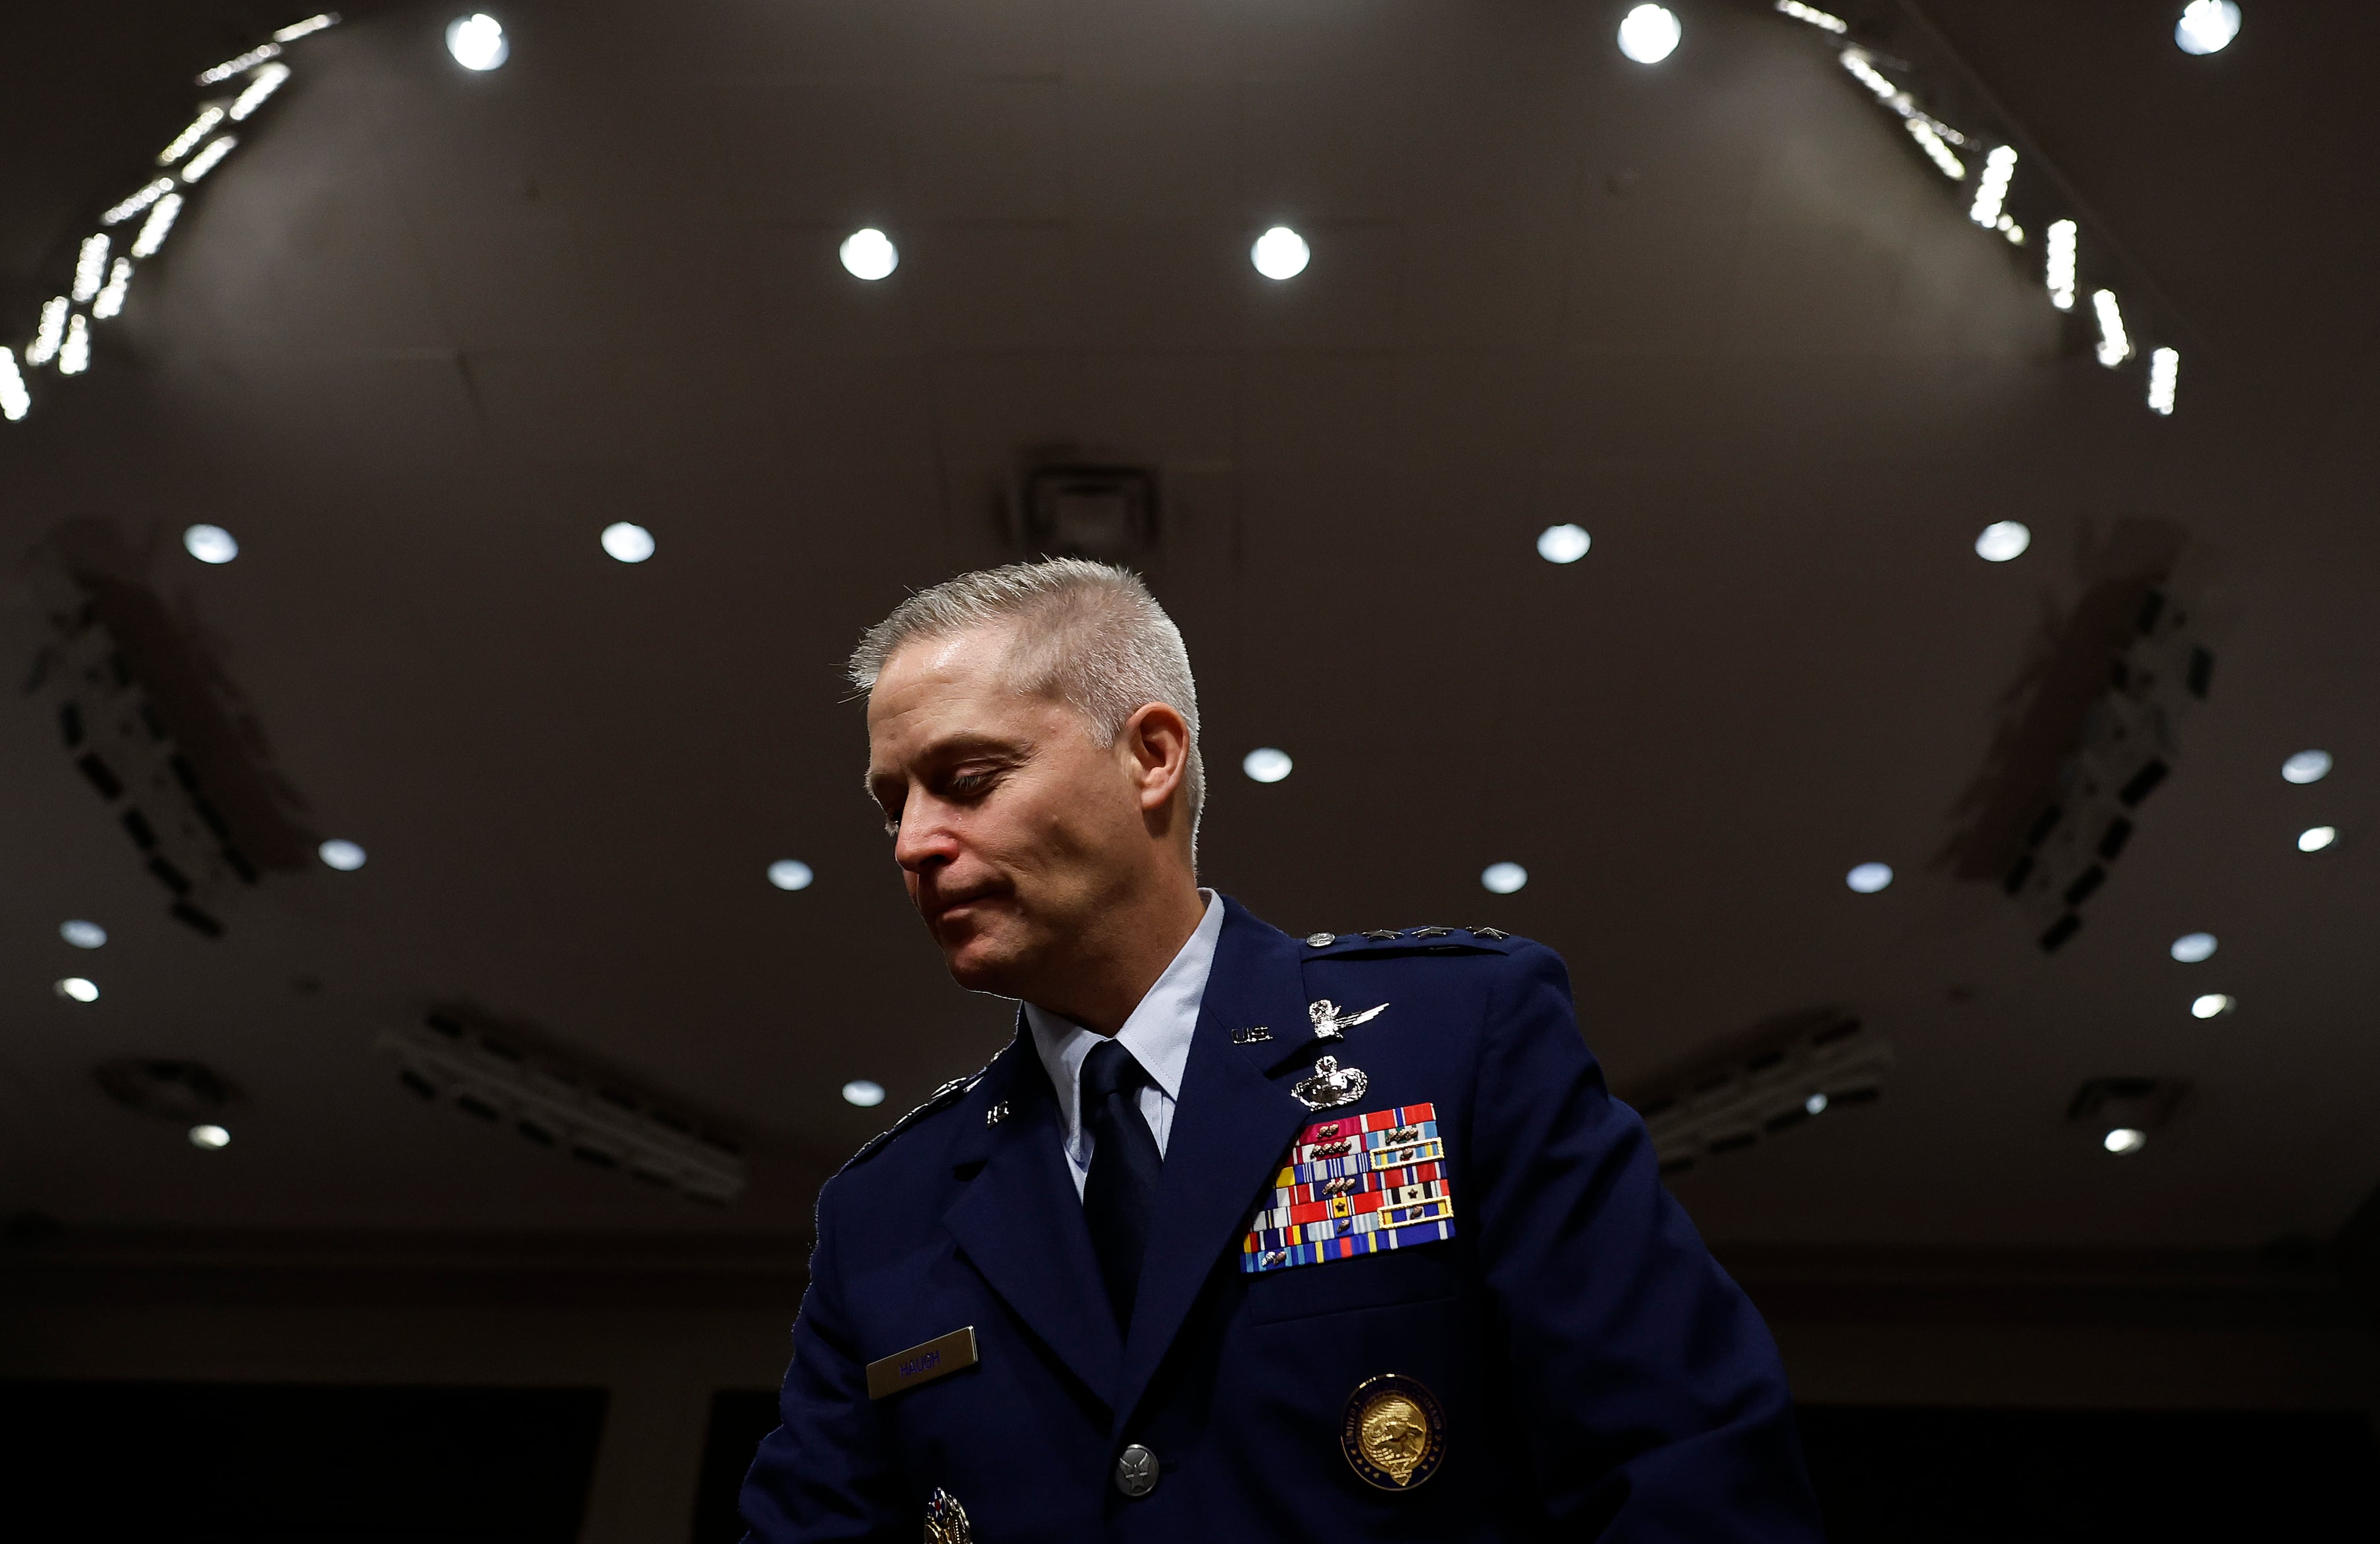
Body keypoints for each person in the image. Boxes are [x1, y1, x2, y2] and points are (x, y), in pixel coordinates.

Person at [739, 559, 1820, 1542]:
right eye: (895, 805)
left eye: (968, 779)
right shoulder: (884, 1213)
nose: (916, 843)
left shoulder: (1457, 1046)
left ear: (1151, 756)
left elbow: (1691, 1470)